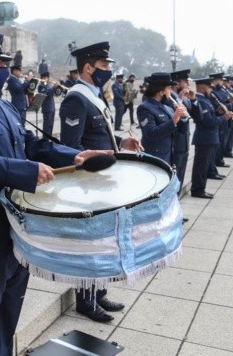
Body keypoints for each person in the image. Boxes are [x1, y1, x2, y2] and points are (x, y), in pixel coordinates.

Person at [0, 34, 107, 356]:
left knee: (11, 302)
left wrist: (76, 157)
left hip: (19, 222)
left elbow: (34, 144)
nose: (5, 69)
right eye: (0, 63)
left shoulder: (2, 105)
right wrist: (27, 172)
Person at [58, 41, 142, 323]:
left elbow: (100, 135)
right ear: (88, 67)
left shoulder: (95, 95)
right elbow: (72, 146)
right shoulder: (76, 98)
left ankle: (100, 290)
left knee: (106, 239)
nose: (108, 70)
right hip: (89, 181)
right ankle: (86, 300)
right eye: (104, 66)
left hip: (105, 178)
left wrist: (122, 141)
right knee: (92, 242)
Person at [189, 76, 229, 199]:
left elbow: (211, 117)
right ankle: (198, 189)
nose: (211, 90)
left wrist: (219, 112)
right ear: (203, 87)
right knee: (201, 166)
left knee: (205, 165)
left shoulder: (205, 100)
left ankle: (201, 188)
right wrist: (224, 118)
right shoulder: (201, 100)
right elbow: (208, 122)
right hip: (205, 138)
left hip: (210, 138)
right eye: (209, 87)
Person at [136, 73, 187, 164]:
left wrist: (183, 117)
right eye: (169, 88)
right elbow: (151, 133)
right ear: (161, 91)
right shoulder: (145, 108)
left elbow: (182, 130)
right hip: (154, 157)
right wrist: (174, 119)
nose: (170, 91)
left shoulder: (168, 107)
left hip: (168, 156)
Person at [167, 69, 195, 188]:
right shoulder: (170, 97)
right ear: (178, 83)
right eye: (185, 82)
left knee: (181, 174)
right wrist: (179, 99)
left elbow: (190, 110)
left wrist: (192, 99)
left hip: (184, 141)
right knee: (175, 175)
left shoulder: (183, 97)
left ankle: (177, 200)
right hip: (176, 141)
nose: (188, 85)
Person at [36, 71, 57, 135]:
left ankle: (49, 140)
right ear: (42, 78)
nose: (46, 79)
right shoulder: (41, 86)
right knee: (46, 127)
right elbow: (47, 93)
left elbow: (54, 93)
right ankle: (45, 141)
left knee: (51, 126)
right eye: (45, 77)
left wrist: (57, 87)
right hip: (47, 108)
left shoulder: (49, 85)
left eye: (47, 77)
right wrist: (54, 87)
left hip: (52, 108)